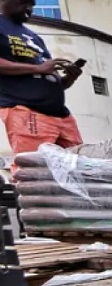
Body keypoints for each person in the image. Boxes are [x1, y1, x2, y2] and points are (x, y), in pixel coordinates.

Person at [0, 0, 83, 176]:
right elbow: (39, 69)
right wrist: (38, 68)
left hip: (61, 115)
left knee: (78, 167)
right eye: (25, 2)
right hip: (26, 110)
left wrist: (70, 77)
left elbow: (52, 80)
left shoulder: (34, 37)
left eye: (32, 4)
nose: (30, 8)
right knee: (33, 171)